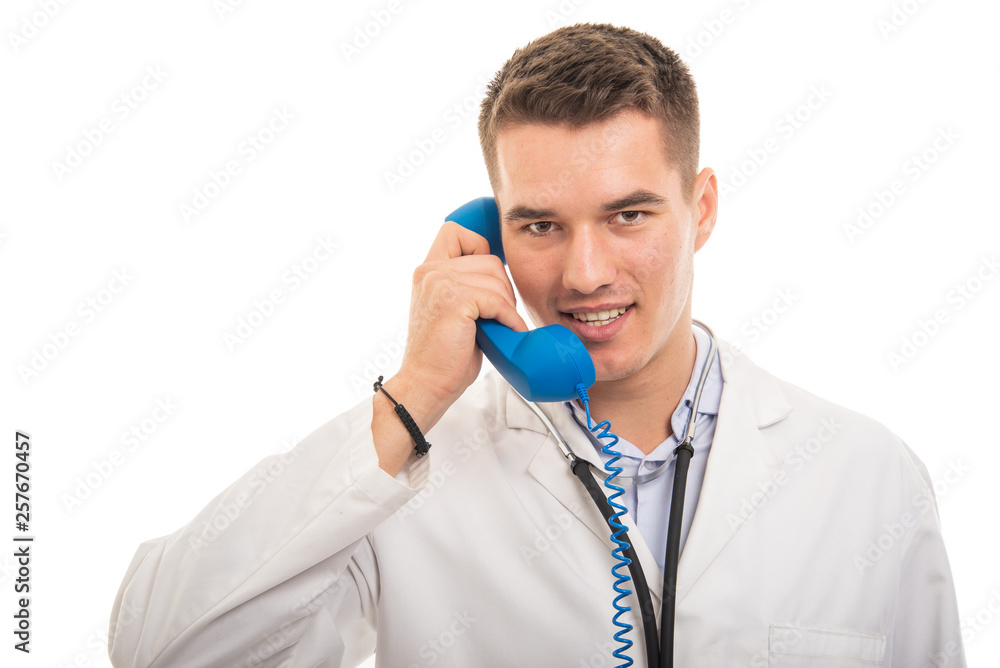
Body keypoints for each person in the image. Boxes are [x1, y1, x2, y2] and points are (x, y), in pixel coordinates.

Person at [108, 23, 966, 667]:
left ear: (700, 209)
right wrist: (414, 395)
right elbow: (159, 649)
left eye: (628, 214)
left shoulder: (868, 476)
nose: (586, 273)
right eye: (541, 225)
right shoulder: (405, 478)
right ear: (489, 235)